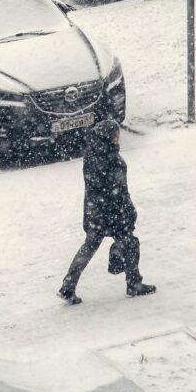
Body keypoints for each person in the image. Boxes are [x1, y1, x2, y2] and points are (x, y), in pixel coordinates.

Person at [58, 117, 156, 304]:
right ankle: (134, 283)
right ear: (112, 138)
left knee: (89, 247)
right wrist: (129, 212)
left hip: (95, 211)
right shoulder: (113, 160)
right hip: (113, 212)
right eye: (116, 135)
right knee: (129, 242)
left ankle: (68, 285)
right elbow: (120, 192)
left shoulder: (92, 156)